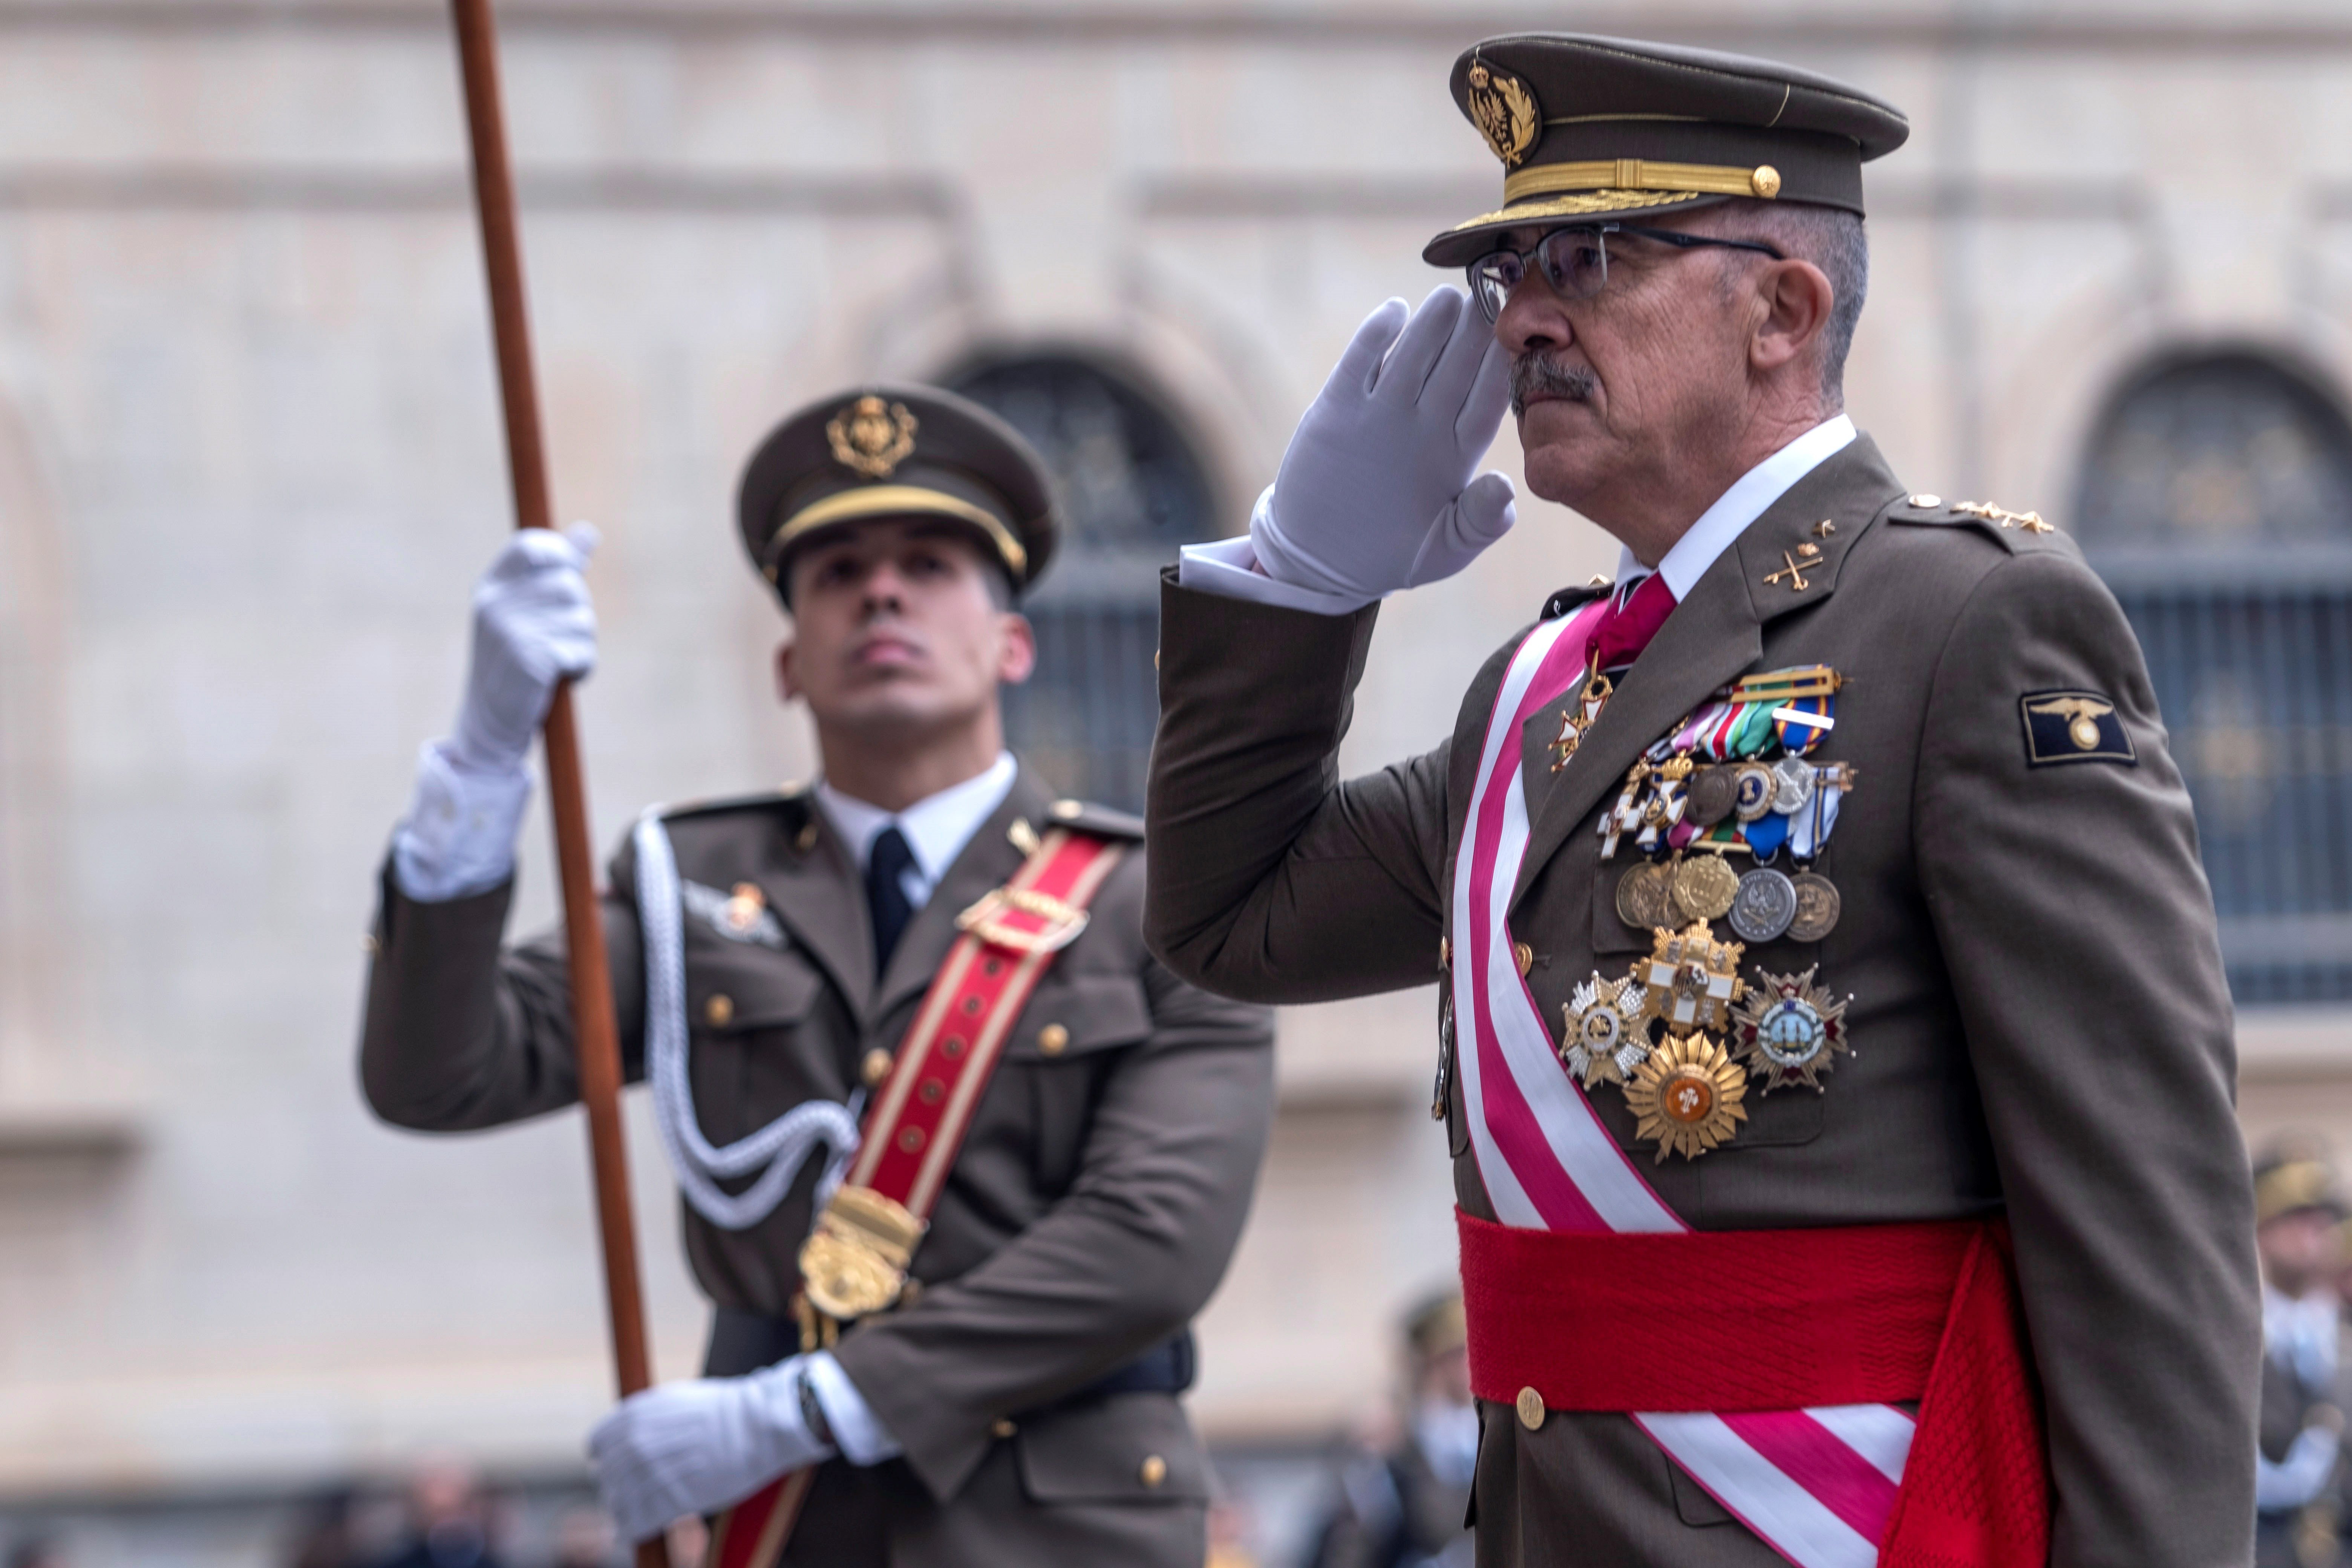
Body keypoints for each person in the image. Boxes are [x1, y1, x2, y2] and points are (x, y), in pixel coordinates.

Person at [1144, 31, 2259, 1568]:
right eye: (1512, 269)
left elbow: (2150, 1236)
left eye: (1588, 258)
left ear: (1782, 309)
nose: (1525, 316)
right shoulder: (1540, 688)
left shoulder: (1962, 623)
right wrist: (1299, 586)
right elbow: (1229, 915)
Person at [358, 385, 1275, 1566]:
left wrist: (804, 1409)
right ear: (787, 661)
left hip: (1058, 1528)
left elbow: (1152, 1241)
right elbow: (438, 1074)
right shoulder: (687, 888)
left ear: (1013, 644)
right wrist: (482, 763)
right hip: (784, 1531)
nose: (881, 590)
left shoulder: (1158, 903)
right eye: (836, 570)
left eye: (929, 563)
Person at [1305, 1292, 1476, 1568]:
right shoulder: (1395, 1436)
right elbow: (1364, 1538)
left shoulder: (1488, 1429)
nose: (1469, 1365)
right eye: (1458, 1355)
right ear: (1432, 1363)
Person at [2254, 1145, 2349, 1568]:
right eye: (2293, 1217)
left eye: (2321, 1219)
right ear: (2259, 1228)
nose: (2311, 1231)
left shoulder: (2343, 1338)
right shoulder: (2235, 1337)